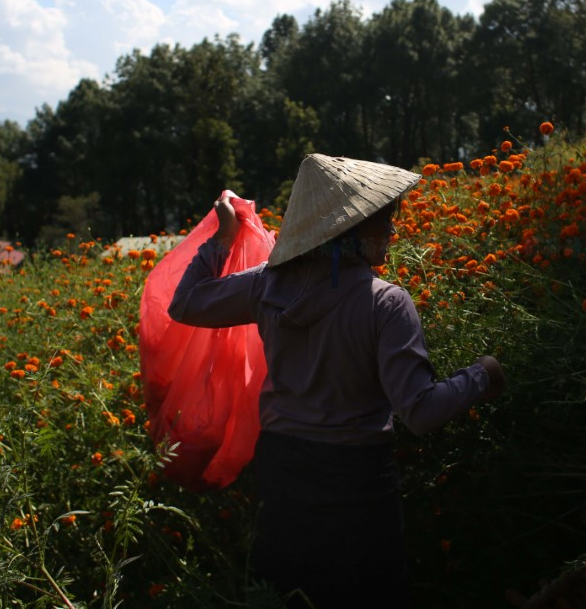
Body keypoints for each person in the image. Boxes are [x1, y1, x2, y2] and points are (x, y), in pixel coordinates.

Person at [168, 153, 505, 609]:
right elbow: (421, 412)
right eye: (383, 223)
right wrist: (481, 375)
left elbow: (185, 303)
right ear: (348, 231)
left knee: (287, 592)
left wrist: (223, 239)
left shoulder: (267, 285)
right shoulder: (386, 304)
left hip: (282, 471)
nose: (392, 232)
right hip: (357, 482)